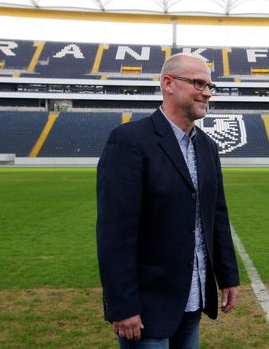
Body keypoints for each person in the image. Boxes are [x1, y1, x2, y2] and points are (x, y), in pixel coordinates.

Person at [96, 53, 240, 348]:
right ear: (168, 84)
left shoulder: (208, 147)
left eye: (210, 85)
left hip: (193, 297)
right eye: (198, 83)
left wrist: (228, 276)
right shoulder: (129, 141)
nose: (208, 92)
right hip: (147, 305)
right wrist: (122, 305)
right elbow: (115, 233)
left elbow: (216, 216)